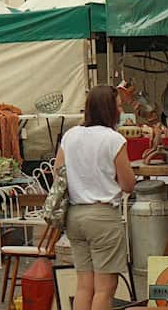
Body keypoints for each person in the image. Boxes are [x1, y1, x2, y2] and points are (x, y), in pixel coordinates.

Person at [57, 86, 136, 310]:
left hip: (74, 215)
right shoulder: (113, 139)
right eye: (119, 106)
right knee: (104, 288)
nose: (121, 110)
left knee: (84, 285)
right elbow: (128, 184)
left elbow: (58, 171)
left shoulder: (70, 135)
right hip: (102, 217)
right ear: (109, 109)